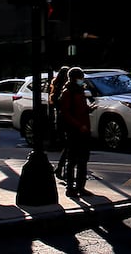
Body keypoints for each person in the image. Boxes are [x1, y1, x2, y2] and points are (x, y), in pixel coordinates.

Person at [58, 66, 93, 197]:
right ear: (75, 78)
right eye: (80, 77)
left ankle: (80, 186)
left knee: (83, 160)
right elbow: (66, 113)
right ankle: (70, 187)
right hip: (74, 130)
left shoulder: (80, 91)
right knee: (72, 160)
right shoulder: (68, 92)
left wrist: (88, 109)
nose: (82, 80)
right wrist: (79, 125)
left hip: (83, 128)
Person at [48, 66, 71, 179]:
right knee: (69, 147)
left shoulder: (56, 88)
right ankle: (63, 169)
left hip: (60, 120)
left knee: (67, 147)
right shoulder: (65, 90)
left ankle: (61, 168)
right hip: (66, 120)